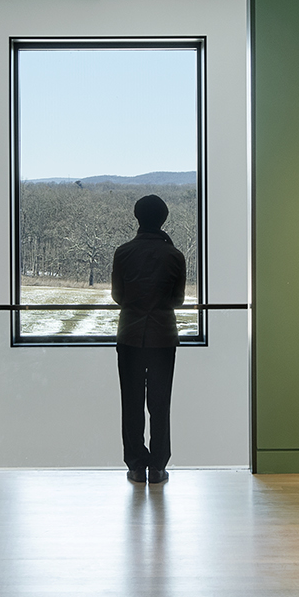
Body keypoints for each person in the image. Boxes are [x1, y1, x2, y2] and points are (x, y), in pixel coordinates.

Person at [110, 194, 186, 484]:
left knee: (131, 403)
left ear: (137, 217)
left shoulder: (124, 252)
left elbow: (118, 296)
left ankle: (135, 465)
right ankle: (157, 466)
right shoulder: (175, 255)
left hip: (129, 334)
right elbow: (177, 299)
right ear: (163, 219)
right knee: (160, 403)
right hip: (163, 336)